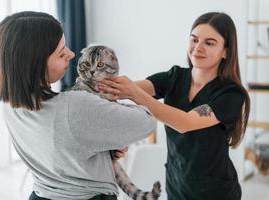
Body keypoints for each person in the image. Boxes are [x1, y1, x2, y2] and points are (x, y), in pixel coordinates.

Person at [0, 11, 156, 200]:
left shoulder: (9, 104)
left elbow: (64, 150)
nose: (71, 54)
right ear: (35, 64)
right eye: (61, 53)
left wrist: (103, 147)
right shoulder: (75, 106)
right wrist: (133, 92)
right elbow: (147, 122)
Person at [98, 12, 250, 200]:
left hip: (215, 192)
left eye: (209, 43)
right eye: (194, 40)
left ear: (226, 51)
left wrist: (135, 94)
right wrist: (97, 87)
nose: (198, 48)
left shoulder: (231, 94)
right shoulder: (175, 77)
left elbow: (185, 123)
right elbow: (125, 88)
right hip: (176, 187)